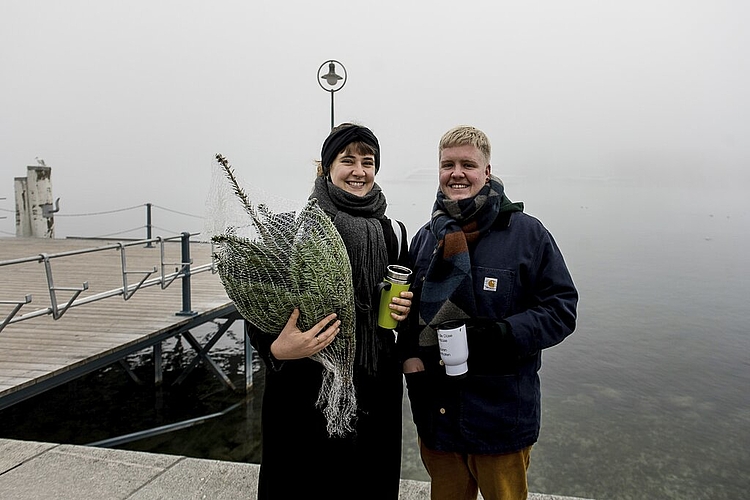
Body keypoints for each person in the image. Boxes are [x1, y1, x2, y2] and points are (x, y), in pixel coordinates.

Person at [398, 125, 578, 500]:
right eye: (448, 164)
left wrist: (501, 334)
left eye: (468, 164)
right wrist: (410, 355)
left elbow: (561, 310)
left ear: (487, 172)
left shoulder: (528, 235)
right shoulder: (426, 237)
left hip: (500, 417)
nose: (457, 173)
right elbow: (408, 314)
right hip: (438, 415)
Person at [248, 123, 413, 500]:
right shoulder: (292, 228)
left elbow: (407, 309)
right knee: (302, 484)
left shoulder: (393, 233)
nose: (359, 170)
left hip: (373, 384)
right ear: (326, 168)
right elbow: (256, 306)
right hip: (305, 382)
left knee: (367, 482)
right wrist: (276, 349)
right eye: (348, 160)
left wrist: (405, 306)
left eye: (368, 162)